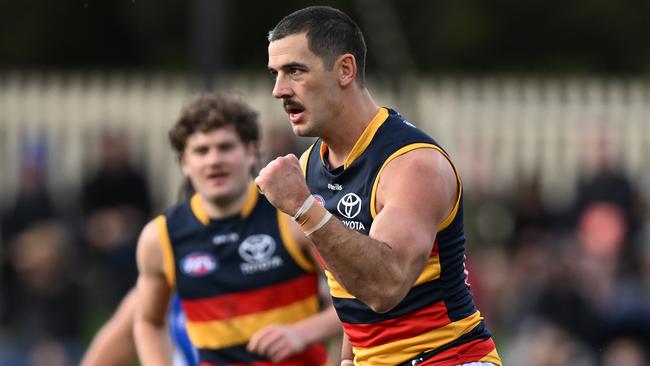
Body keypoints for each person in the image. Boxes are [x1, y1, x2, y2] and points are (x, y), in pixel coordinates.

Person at [257, 6, 502, 366]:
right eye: (275, 74)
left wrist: (304, 208)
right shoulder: (310, 165)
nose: (279, 90)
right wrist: (346, 360)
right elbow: (348, 279)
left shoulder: (413, 163)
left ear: (345, 70)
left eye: (295, 71)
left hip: (448, 358)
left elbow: (385, 287)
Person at [133, 93, 341, 365]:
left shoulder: (288, 216)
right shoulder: (161, 237)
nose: (214, 160)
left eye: (225, 147)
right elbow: (147, 321)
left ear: (251, 151)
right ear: (184, 162)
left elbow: (357, 296)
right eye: (201, 151)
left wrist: (302, 333)